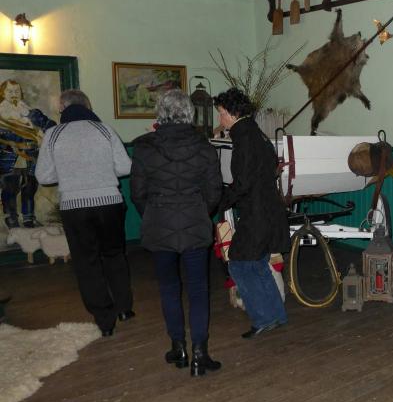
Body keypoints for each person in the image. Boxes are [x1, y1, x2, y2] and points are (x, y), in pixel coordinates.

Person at [131, 90, 222, 376]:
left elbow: (137, 193)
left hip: (159, 223)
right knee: (198, 289)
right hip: (195, 222)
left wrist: (153, 215)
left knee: (169, 288)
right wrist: (200, 212)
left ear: (160, 113)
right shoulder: (205, 147)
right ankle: (200, 354)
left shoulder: (143, 147)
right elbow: (214, 193)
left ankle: (178, 347)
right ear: (190, 113)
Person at [34, 89, 133, 336]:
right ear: (87, 106)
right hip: (109, 203)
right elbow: (125, 167)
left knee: (86, 263)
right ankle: (124, 308)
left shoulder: (53, 134)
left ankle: (105, 320)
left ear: (62, 108)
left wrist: (68, 174)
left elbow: (43, 176)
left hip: (74, 207)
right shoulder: (105, 130)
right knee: (114, 255)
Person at [214, 87, 289, 338]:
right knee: (258, 264)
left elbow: (242, 183)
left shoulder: (244, 138)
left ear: (233, 113)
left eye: (221, 113)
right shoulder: (256, 133)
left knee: (238, 265)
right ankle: (276, 315)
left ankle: (263, 319)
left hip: (256, 214)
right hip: (268, 209)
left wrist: (220, 201)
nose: (220, 118)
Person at [0, 79, 56, 228]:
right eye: (10, 91)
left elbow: (51, 125)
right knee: (10, 190)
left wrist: (33, 122)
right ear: (3, 93)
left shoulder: (31, 112)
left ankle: (28, 218)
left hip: (31, 156)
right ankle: (11, 219)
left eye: (17, 91)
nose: (14, 94)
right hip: (9, 157)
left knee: (30, 188)